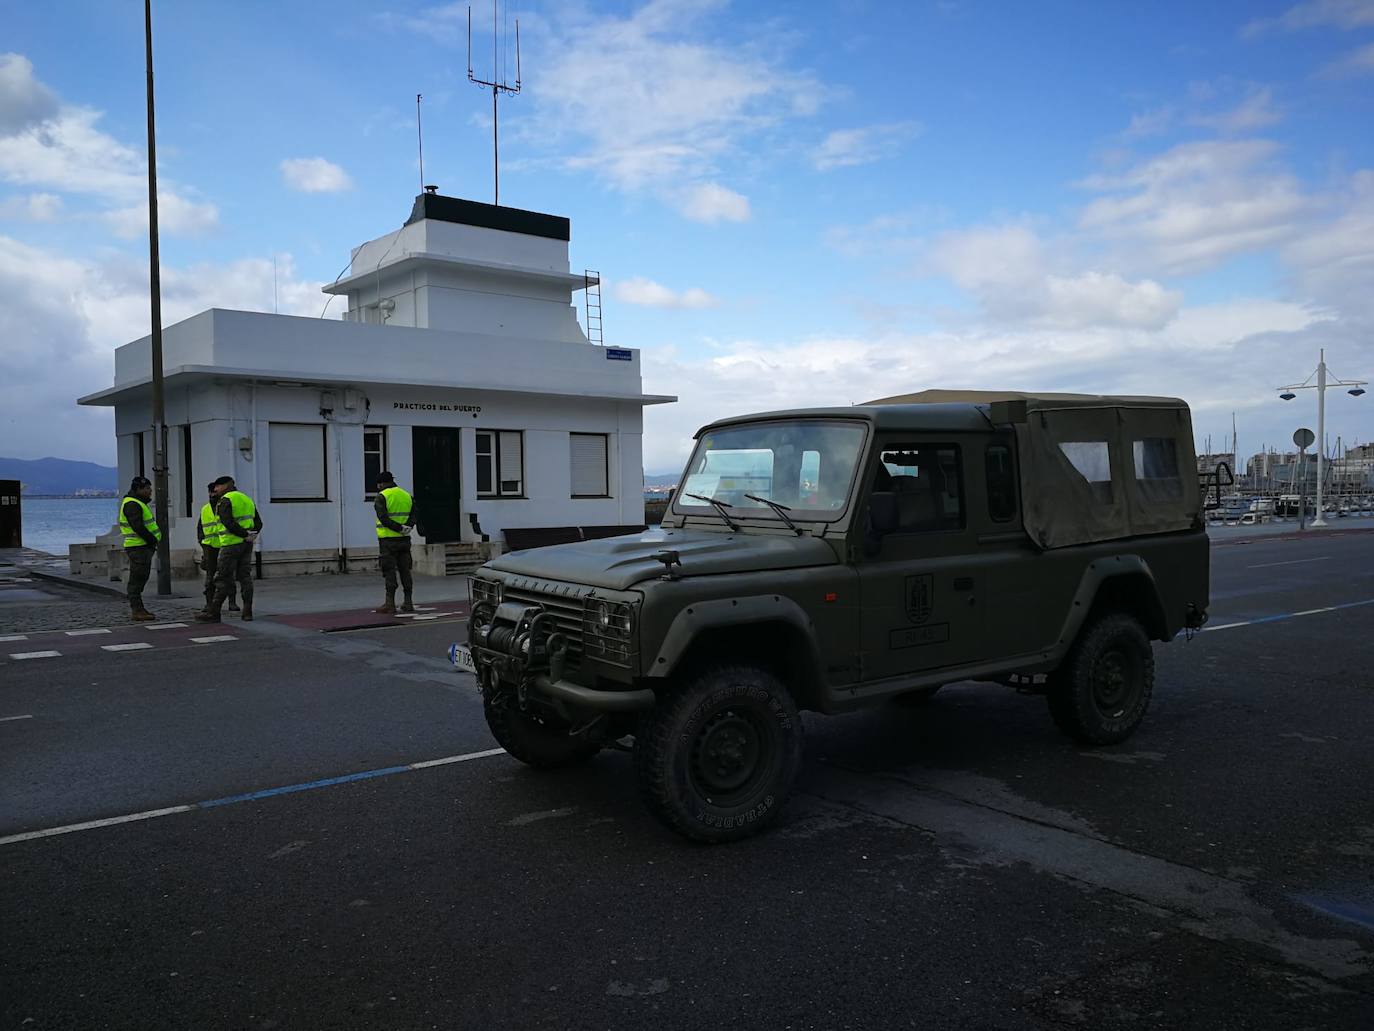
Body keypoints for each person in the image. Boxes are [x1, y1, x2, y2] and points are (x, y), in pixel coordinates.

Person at [195, 475, 262, 623]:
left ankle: (214, 612)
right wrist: (250, 535)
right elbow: (258, 522)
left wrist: (243, 534)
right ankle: (247, 611)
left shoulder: (225, 500)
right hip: (246, 545)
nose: (216, 490)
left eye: (217, 487)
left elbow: (227, 522)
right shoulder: (246, 499)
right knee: (245, 577)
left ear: (225, 486)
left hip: (230, 544)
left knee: (222, 577)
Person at [118, 476, 161, 622]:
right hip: (138, 547)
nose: (150, 491)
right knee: (137, 579)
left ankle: (139, 609)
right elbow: (138, 527)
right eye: (147, 489)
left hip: (141, 546)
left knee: (141, 578)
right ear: (139, 489)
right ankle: (137, 610)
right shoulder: (132, 504)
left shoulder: (138, 503)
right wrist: (151, 540)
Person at [373, 470, 415, 614]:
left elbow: (383, 518)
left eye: (379, 484)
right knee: (405, 570)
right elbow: (414, 514)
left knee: (389, 570)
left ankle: (389, 603)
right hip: (404, 540)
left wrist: (397, 528)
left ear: (382, 483)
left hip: (387, 541)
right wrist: (406, 527)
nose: (378, 487)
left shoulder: (382, 497)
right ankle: (408, 602)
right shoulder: (407, 495)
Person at [195, 481, 238, 615]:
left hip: (225, 545)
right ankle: (209, 603)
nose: (213, 494)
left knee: (228, 575)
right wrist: (202, 542)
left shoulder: (226, 505)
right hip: (210, 547)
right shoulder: (205, 509)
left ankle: (232, 602)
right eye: (211, 492)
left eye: (215, 492)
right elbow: (200, 528)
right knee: (210, 577)